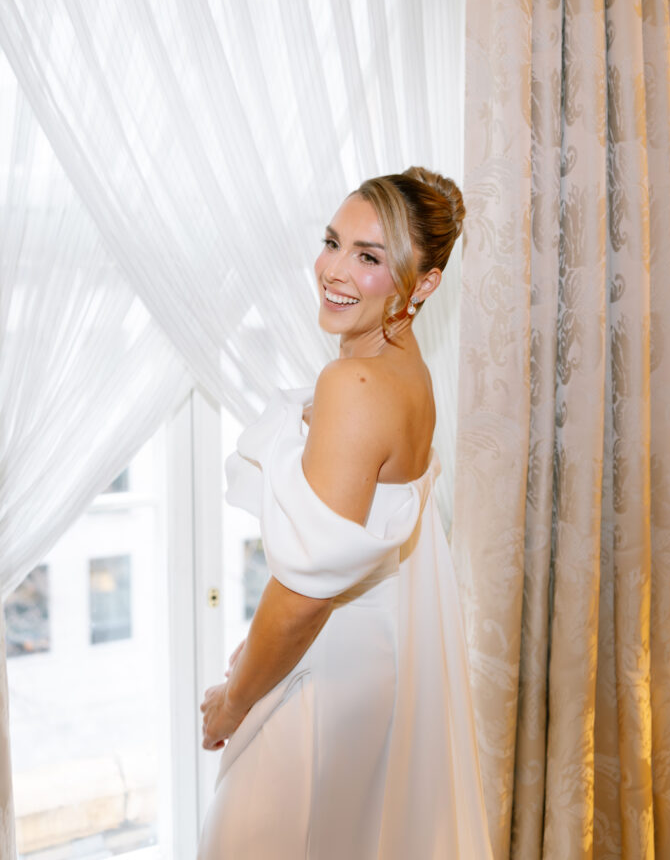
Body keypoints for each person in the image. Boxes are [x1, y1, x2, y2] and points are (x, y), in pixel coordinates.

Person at [196, 167, 493, 859]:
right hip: (360, 660)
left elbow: (303, 596)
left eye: (369, 257)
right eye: (332, 242)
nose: (332, 270)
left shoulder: (355, 382)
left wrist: (234, 702)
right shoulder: (402, 367)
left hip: (322, 673)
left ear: (422, 284)